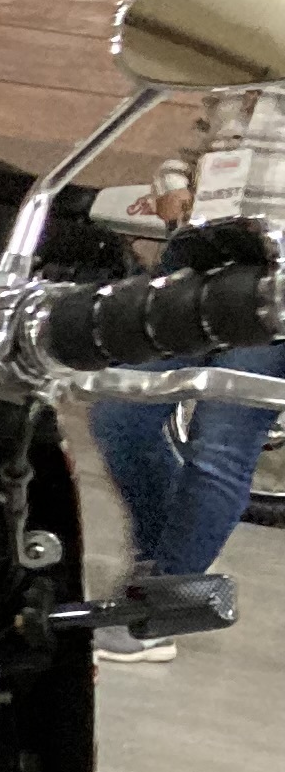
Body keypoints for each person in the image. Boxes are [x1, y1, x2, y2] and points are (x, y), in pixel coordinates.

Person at [90, 131, 281, 662]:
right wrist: (173, 183)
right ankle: (170, 562)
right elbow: (194, 154)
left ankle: (158, 616)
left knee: (219, 447)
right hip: (200, 274)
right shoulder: (240, 82)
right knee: (119, 414)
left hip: (279, 295)